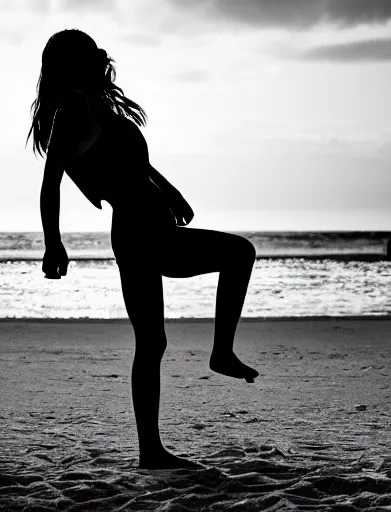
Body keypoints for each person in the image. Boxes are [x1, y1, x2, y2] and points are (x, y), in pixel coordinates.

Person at [26, 29, 259, 470]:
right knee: (239, 254)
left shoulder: (94, 107)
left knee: (151, 342)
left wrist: (169, 193)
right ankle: (221, 352)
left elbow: (133, 163)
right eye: (90, 51)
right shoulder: (73, 108)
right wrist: (52, 242)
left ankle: (151, 452)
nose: (101, 55)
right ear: (77, 64)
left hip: (136, 231)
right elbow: (50, 183)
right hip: (142, 232)